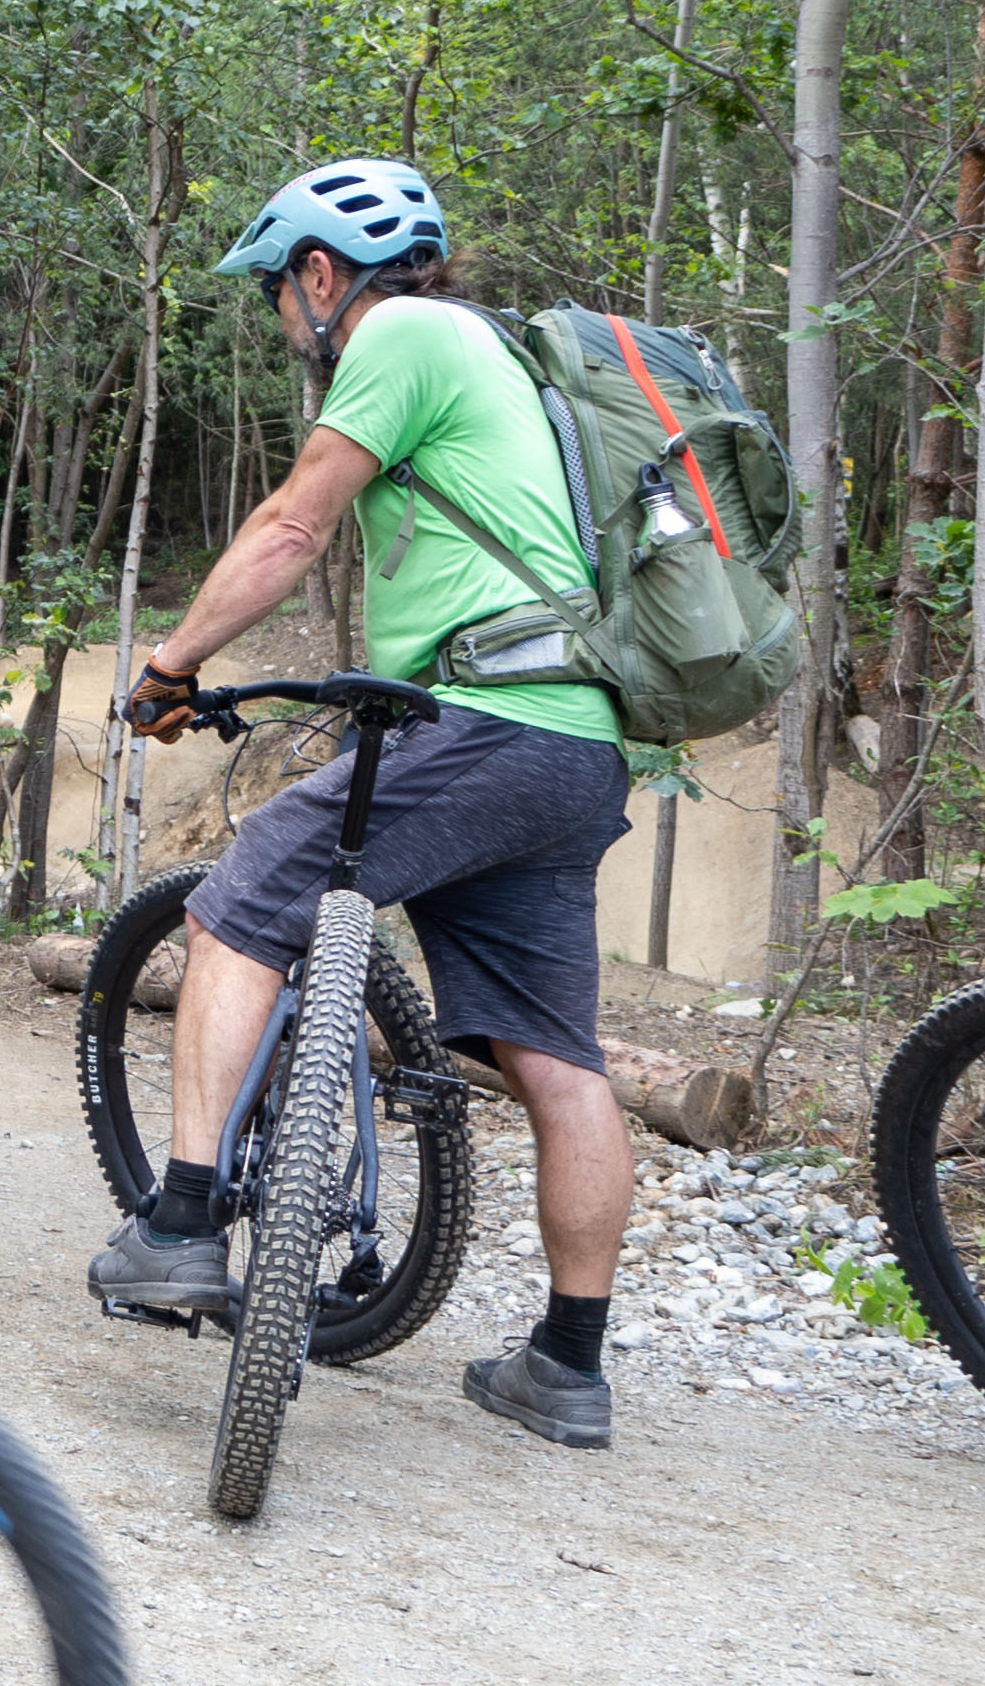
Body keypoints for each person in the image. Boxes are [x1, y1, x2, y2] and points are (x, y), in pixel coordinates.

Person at [82, 159, 647, 1448]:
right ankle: (568, 1364)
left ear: (323, 273)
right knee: (557, 1058)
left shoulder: (398, 332)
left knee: (244, 899)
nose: (288, 318)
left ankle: (177, 1223)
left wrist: (172, 665)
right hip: (576, 744)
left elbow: (293, 527)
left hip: (485, 718)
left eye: (284, 290)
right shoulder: (500, 357)